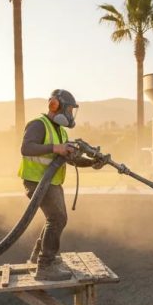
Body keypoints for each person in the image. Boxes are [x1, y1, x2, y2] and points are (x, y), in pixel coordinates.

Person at [19, 90, 104, 281]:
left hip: (52, 182)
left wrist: (92, 163)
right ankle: (45, 265)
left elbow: (70, 158)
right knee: (57, 219)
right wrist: (55, 148)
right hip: (36, 181)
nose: (71, 115)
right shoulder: (38, 125)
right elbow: (26, 148)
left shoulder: (61, 131)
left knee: (56, 218)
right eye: (70, 110)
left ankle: (37, 257)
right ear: (56, 106)